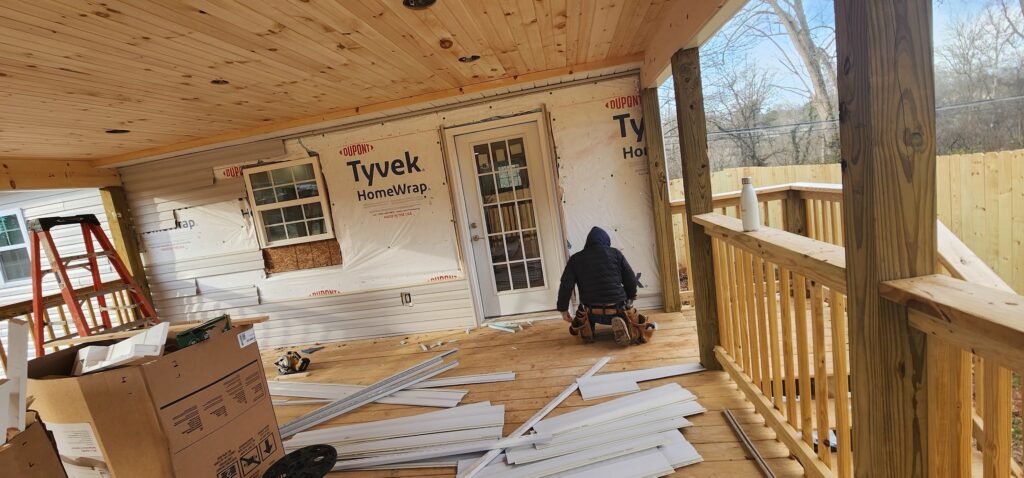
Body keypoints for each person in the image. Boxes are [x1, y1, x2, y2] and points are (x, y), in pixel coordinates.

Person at [556, 226, 655, 346]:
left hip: (591, 311)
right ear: (606, 241)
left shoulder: (576, 259)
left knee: (584, 310)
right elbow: (630, 279)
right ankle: (624, 324)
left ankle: (588, 330)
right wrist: (630, 297)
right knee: (628, 312)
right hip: (617, 309)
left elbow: (566, 285)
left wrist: (563, 309)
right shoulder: (616, 254)